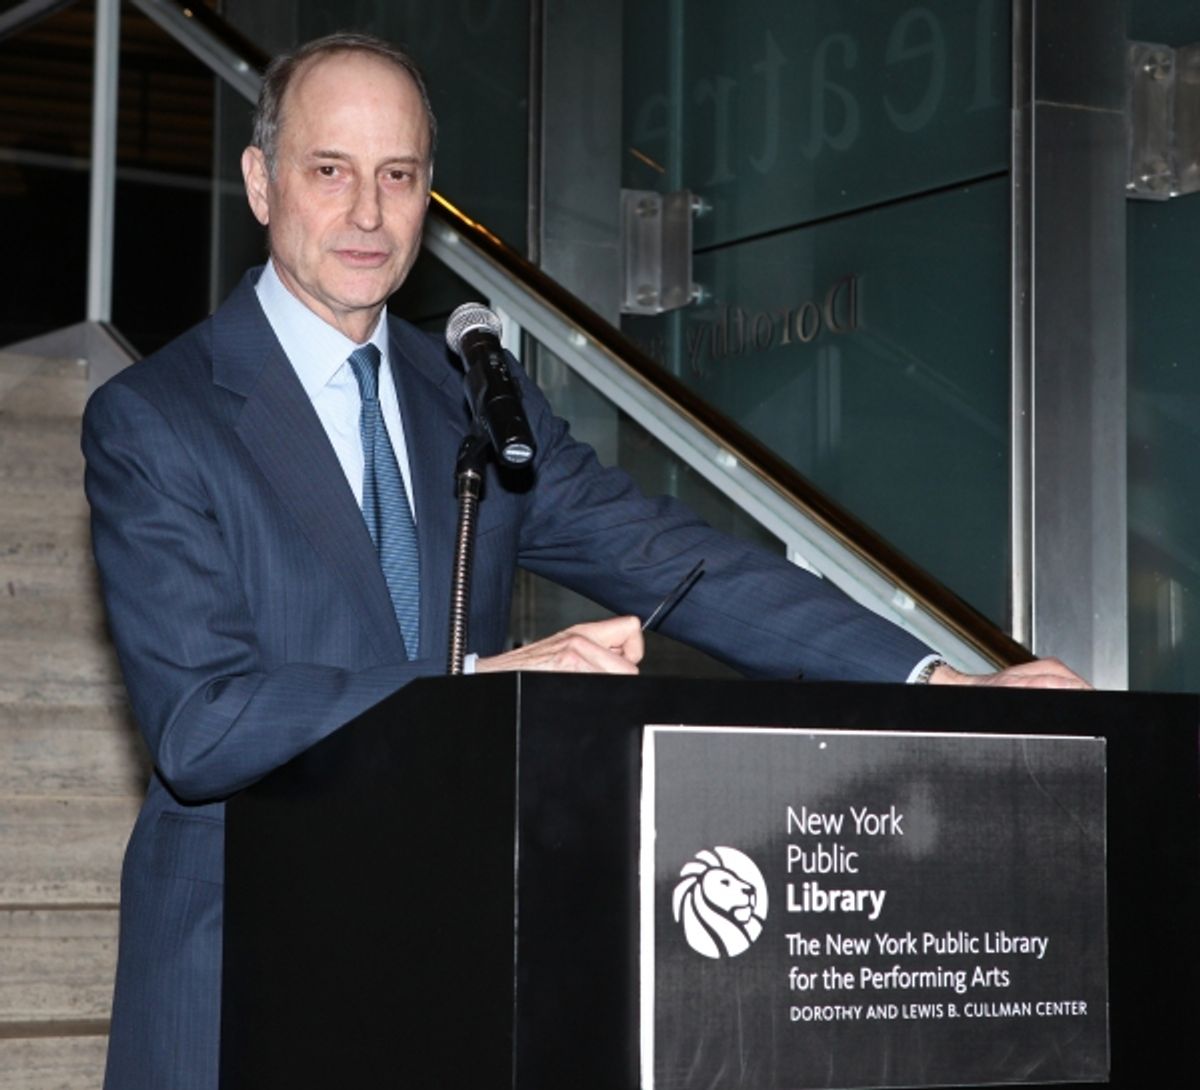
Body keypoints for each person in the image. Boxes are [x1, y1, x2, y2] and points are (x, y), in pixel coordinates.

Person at [82, 32, 1086, 1090]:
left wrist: (935, 681)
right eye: (330, 171)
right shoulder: (159, 418)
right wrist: (475, 689)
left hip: (450, 959)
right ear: (260, 180)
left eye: (400, 176)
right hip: (243, 963)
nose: (368, 214)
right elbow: (202, 723)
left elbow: (681, 563)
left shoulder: (468, 397)